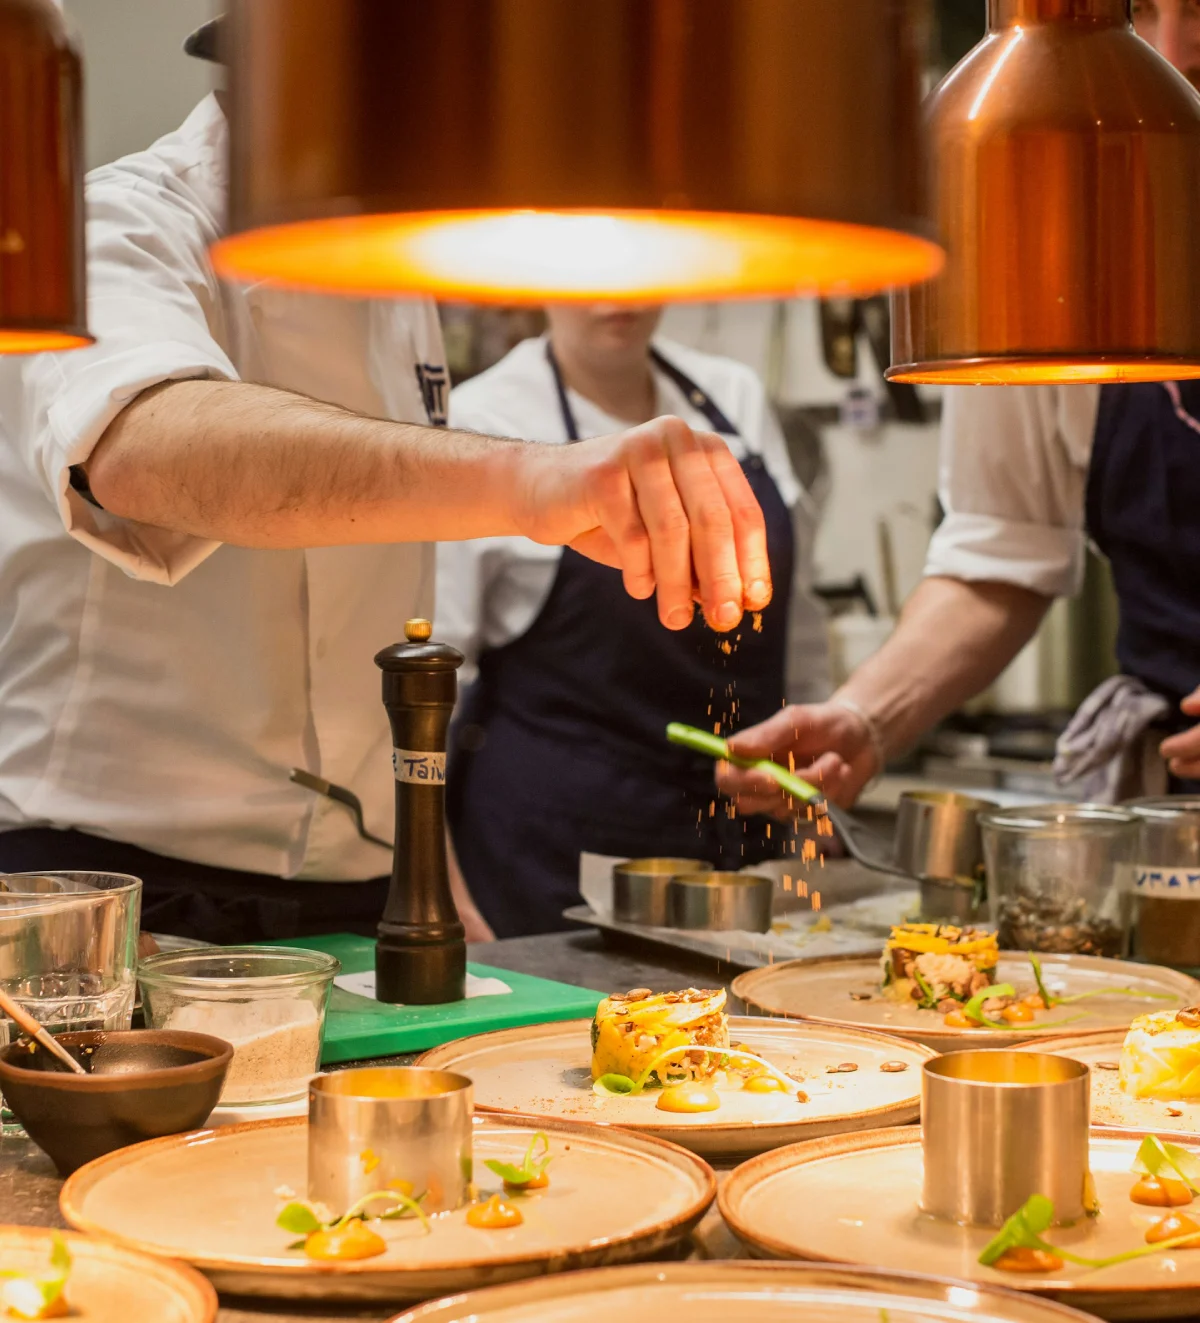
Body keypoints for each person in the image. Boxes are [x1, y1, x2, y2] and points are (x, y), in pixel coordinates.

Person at [0, 54, 772, 943]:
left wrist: (440, 886)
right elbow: (145, 448)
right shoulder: (118, 223)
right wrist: (530, 479)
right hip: (109, 890)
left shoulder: (394, 287)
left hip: (356, 894)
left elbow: (380, 631)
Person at [718, 0, 1200, 819]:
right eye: (1144, 12)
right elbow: (999, 556)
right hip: (1174, 834)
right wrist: (868, 716)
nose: (1171, 52)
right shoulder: (1046, 232)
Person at [438, 304, 829, 937]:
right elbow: (431, 688)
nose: (611, 298)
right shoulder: (483, 420)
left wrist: (810, 780)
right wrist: (444, 893)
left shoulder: (734, 396)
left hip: (743, 845)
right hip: (557, 858)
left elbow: (799, 617)